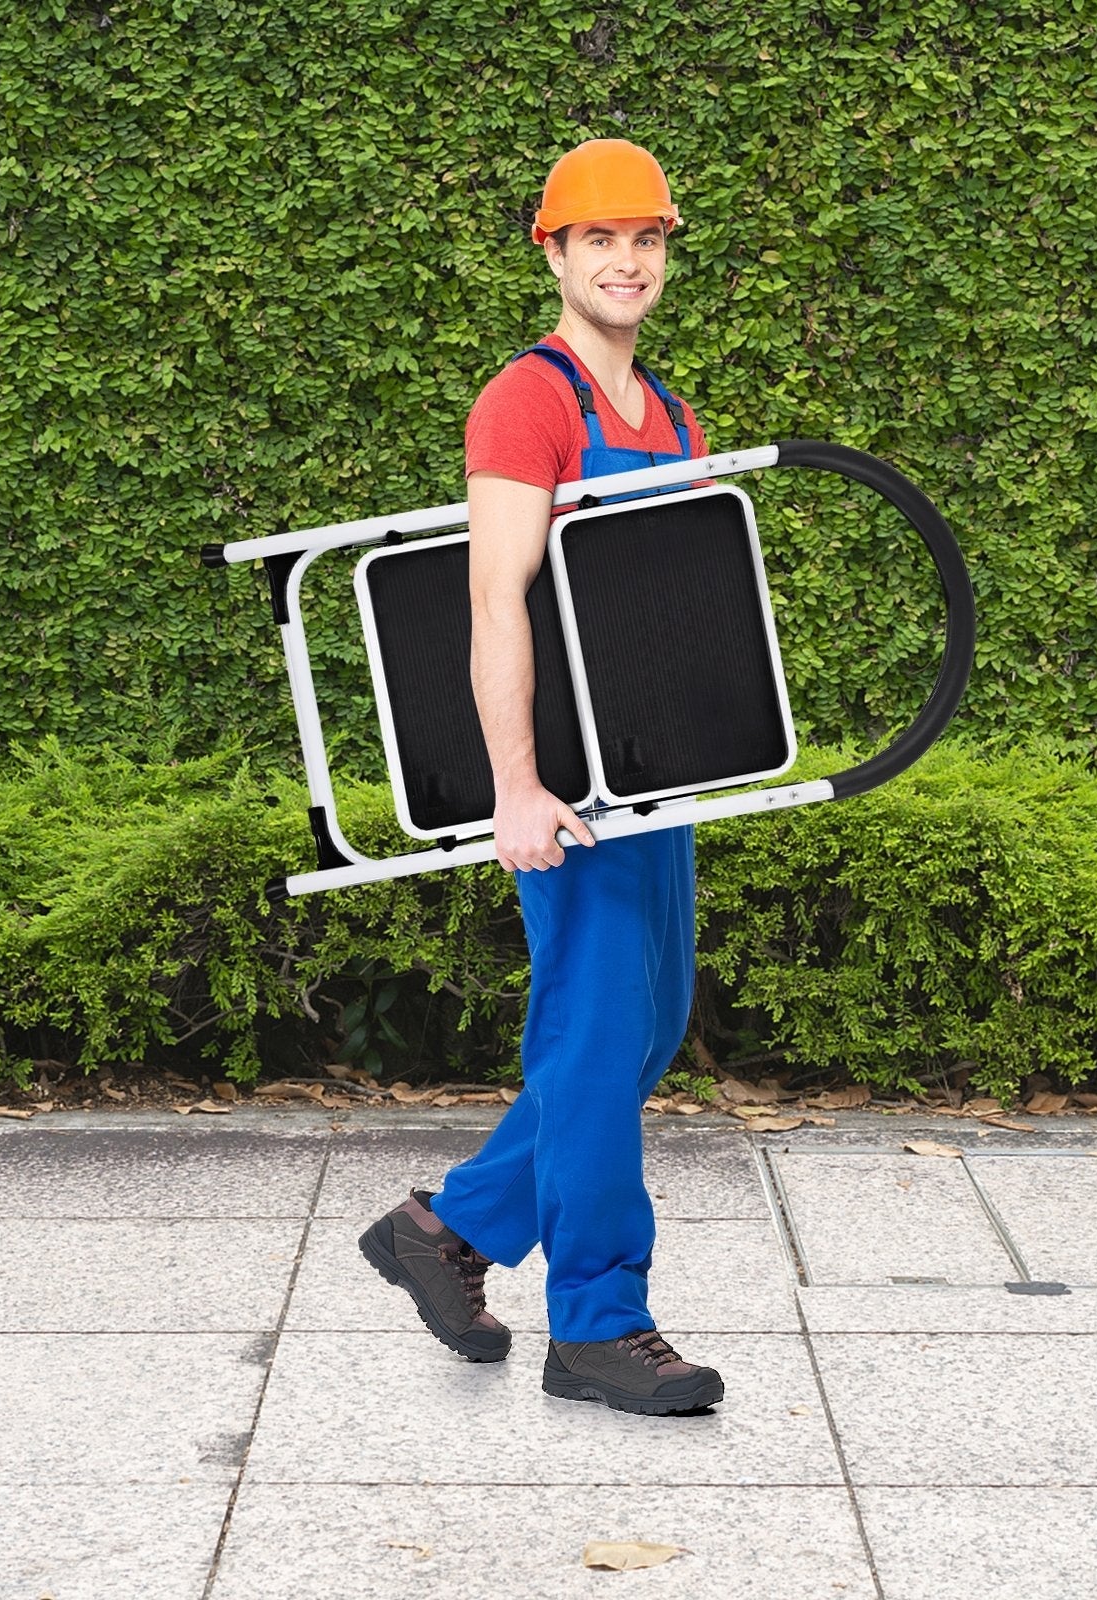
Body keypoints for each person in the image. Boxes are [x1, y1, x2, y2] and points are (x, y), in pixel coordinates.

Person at [358, 139, 724, 1417]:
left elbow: (669, 606)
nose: (628, 262)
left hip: (652, 779)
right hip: (566, 791)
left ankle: (447, 1226)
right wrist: (516, 785)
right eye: (600, 241)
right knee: (589, 1033)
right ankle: (600, 1325)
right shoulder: (530, 402)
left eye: (648, 239)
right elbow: (493, 598)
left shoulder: (669, 412)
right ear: (554, 253)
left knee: (640, 1028)